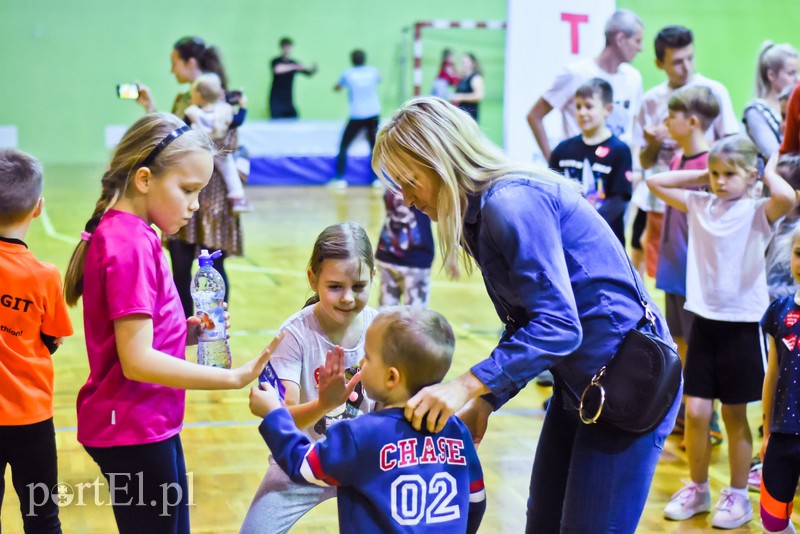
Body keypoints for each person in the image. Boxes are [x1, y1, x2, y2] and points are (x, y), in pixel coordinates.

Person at [372, 96, 679, 533]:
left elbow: (558, 326)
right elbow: (525, 322)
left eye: (409, 181)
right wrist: (487, 399)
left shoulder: (510, 203)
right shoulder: (478, 213)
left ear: (439, 160)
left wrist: (465, 385)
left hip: (628, 386)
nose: (405, 198)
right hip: (580, 384)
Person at [62, 113, 277, 534]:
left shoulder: (138, 234)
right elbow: (137, 361)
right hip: (131, 428)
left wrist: (190, 330)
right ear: (144, 179)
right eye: (188, 190)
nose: (195, 205)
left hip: (149, 422)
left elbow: (140, 336)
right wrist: (232, 379)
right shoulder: (128, 244)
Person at [647, 137, 796, 529]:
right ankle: (697, 487)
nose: (719, 181)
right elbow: (656, 182)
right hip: (705, 322)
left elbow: (788, 197)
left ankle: (735, 495)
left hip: (743, 326)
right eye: (715, 173)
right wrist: (704, 171)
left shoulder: (757, 211)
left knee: (733, 415)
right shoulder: (700, 204)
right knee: (696, 412)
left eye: (729, 174)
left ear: (749, 175)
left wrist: (759, 169)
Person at [249, 306, 487, 533]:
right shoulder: (457, 430)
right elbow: (476, 501)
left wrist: (273, 414)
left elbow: (302, 465)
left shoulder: (362, 433)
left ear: (391, 377)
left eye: (368, 357)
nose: (361, 363)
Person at [240, 222, 379, 534]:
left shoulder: (381, 329)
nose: (347, 298)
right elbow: (283, 419)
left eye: (358, 287)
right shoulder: (294, 335)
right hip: (304, 457)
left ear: (373, 278)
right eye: (335, 287)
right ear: (312, 279)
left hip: (366, 459)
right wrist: (323, 403)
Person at [135, 36, 245, 317]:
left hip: (211, 193)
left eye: (175, 63)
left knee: (213, 264)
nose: (172, 70)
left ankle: (216, 324)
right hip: (183, 188)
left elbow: (229, 142)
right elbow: (167, 137)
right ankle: (182, 326)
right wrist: (150, 109)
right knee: (181, 263)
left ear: (190, 63)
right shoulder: (184, 99)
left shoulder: (219, 97)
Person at [0, 149, 73, 533]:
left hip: (27, 416)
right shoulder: (44, 275)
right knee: (42, 517)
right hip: (31, 418)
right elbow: (53, 338)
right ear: (38, 208)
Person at [636, 25, 740, 281]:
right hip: (664, 201)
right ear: (659, 63)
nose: (686, 67)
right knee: (666, 277)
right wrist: (653, 142)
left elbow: (732, 146)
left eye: (689, 58)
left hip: (707, 199)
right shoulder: (650, 100)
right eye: (677, 62)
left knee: (704, 274)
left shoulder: (713, 92)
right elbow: (644, 161)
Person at [654, 85, 719, 438]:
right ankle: (683, 409)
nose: (665, 121)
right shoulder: (678, 161)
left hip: (697, 273)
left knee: (698, 344)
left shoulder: (712, 167)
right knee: (678, 340)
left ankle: (708, 416)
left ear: (692, 121)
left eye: (671, 116)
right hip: (673, 269)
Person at [527, 9, 644, 162]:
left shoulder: (633, 78)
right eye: (637, 41)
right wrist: (555, 163)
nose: (640, 48)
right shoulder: (576, 73)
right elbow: (535, 115)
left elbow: (633, 128)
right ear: (621, 38)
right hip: (580, 170)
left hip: (618, 172)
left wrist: (634, 168)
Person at [549, 78, 632, 245]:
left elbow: (618, 201)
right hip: (567, 240)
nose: (582, 112)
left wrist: (587, 225)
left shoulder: (620, 151)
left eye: (589, 106)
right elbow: (551, 194)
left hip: (604, 242)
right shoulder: (562, 150)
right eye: (578, 106)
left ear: (608, 109)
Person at [760, 227, 800, 534]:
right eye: (799, 253)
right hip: (783, 432)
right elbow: (772, 374)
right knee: (772, 522)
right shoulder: (779, 310)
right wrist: (766, 431)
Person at [184, 73, 252, 213]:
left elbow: (184, 128)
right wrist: (243, 107)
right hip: (219, 151)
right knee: (230, 171)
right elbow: (238, 121)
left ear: (199, 95)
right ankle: (238, 197)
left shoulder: (192, 113)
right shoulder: (224, 112)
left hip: (200, 151)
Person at [328, 49, 381, 189]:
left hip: (357, 115)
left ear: (352, 60)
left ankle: (340, 178)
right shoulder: (373, 72)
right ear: (364, 59)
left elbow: (337, 87)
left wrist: (337, 86)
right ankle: (376, 179)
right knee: (374, 147)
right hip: (373, 113)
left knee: (344, 145)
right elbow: (379, 80)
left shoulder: (348, 74)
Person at [375, 189, 435, 307]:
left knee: (390, 315)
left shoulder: (390, 178)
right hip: (407, 258)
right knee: (412, 319)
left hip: (395, 253)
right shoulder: (415, 179)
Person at [744, 42, 798, 159]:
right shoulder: (756, 111)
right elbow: (773, 154)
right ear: (771, 75)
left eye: (798, 73)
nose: (797, 79)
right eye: (791, 73)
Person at [766, 154, 800, 302]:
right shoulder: (780, 221)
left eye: (776, 192)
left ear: (796, 196)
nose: (770, 197)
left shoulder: (796, 233)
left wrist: (765, 292)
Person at [269, 37, 317, 119]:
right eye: (285, 46)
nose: (287, 49)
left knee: (294, 119)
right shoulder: (275, 61)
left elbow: (307, 72)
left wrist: (312, 69)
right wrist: (294, 66)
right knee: (276, 125)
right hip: (276, 100)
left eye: (289, 46)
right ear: (281, 47)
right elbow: (277, 69)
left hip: (288, 100)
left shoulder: (294, 63)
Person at [450, 53, 484, 122]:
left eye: (466, 62)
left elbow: (479, 96)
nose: (464, 64)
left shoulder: (476, 78)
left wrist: (460, 97)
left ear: (473, 63)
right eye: (462, 62)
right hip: (460, 116)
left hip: (470, 117)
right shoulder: (462, 77)